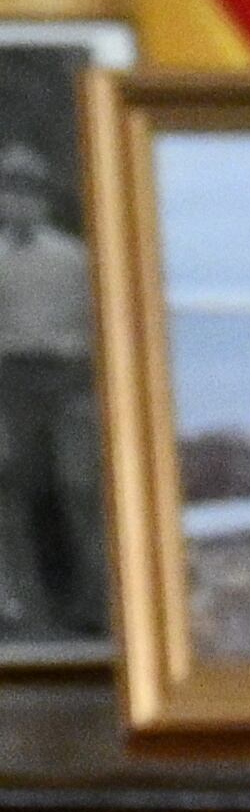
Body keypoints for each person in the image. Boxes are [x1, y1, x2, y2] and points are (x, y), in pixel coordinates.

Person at [0, 144, 101, 638]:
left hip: (67, 380)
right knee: (34, 487)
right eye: (10, 192)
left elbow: (96, 324)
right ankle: (52, 601)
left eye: (28, 192)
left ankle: (92, 599)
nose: (19, 203)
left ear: (43, 200)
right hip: (14, 380)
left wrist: (81, 369)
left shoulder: (73, 258)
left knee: (77, 485)